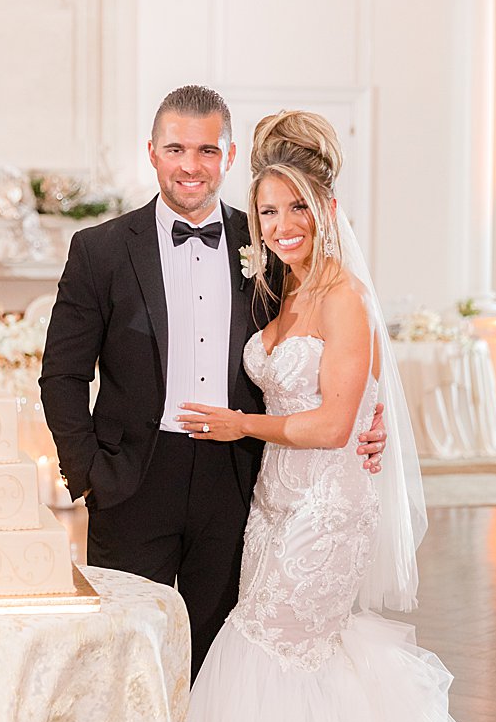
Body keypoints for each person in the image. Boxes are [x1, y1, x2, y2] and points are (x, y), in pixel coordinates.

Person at [174, 110, 496, 722]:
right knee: (300, 671)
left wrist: (241, 422)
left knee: (268, 655)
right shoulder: (279, 294)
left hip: (330, 507)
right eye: (267, 212)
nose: (280, 227)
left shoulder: (345, 299)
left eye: (293, 209)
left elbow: (331, 422)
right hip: (273, 504)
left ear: (326, 207)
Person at [39, 85, 385, 682]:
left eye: (206, 150)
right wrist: (91, 476)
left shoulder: (270, 244)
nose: (190, 166)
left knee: (221, 663)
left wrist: (368, 415)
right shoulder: (98, 251)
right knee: (126, 660)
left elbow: (336, 332)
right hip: (133, 482)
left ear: (228, 157)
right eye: (176, 148)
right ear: (152, 152)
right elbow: (61, 375)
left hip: (239, 484)